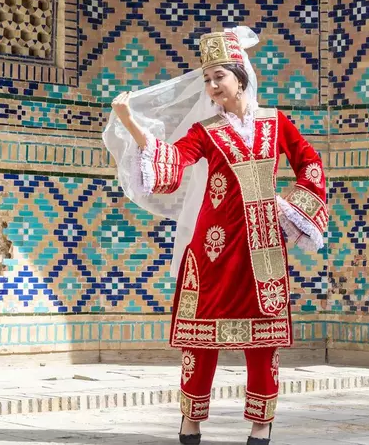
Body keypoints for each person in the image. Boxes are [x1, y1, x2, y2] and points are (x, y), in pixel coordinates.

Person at [103, 28, 328, 444]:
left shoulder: (275, 121)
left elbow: (310, 162)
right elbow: (172, 161)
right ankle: (190, 425)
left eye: (218, 76)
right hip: (214, 245)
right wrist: (130, 122)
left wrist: (290, 206)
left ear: (240, 77)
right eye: (206, 79)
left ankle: (261, 429)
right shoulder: (206, 130)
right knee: (200, 341)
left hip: (262, 247)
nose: (211, 86)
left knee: (263, 343)